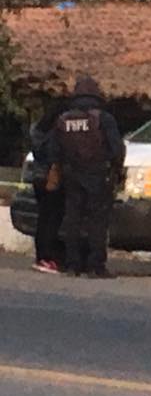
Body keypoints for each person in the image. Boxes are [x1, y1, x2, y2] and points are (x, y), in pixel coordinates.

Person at [52, 76, 125, 278]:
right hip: (98, 175)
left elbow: (54, 149)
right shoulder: (103, 118)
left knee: (73, 220)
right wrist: (116, 170)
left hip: (71, 176)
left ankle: (73, 264)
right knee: (98, 222)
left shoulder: (63, 119)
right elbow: (117, 149)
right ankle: (96, 266)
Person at [28, 109, 66, 273]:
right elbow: (54, 156)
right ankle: (48, 257)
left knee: (43, 219)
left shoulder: (37, 131)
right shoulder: (54, 135)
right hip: (51, 177)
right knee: (52, 219)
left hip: (37, 176)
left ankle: (41, 257)